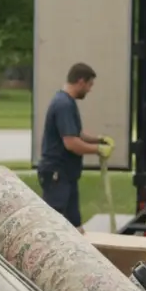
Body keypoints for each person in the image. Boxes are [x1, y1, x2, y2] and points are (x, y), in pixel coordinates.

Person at [37, 62, 113, 231]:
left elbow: (76, 134)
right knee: (53, 224)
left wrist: (99, 140)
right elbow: (71, 143)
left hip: (67, 174)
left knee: (75, 225)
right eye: (89, 85)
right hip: (57, 174)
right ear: (80, 81)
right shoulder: (63, 104)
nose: (90, 90)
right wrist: (98, 151)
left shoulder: (67, 102)